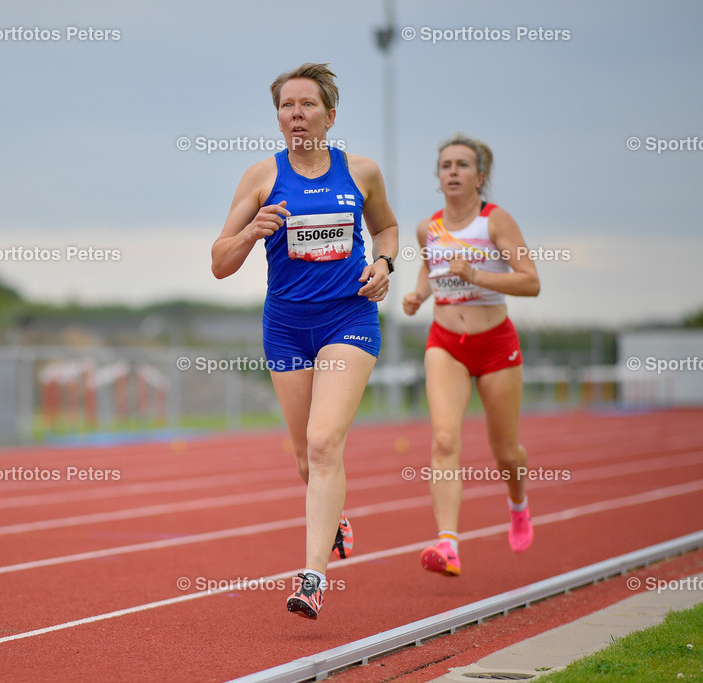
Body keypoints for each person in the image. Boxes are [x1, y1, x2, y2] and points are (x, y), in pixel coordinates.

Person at [211, 63, 398, 619]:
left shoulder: (361, 172)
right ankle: (334, 512)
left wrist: (384, 263)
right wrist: (251, 231)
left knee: (323, 443)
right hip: (287, 325)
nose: (296, 114)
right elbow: (220, 262)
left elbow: (385, 227)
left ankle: (312, 577)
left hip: (349, 320)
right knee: (304, 456)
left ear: (330, 115)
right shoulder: (260, 178)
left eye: (306, 105)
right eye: (286, 106)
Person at [402, 133, 540, 577]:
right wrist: (419, 295)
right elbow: (430, 264)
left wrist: (477, 274)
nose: (453, 172)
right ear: (438, 177)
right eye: (446, 165)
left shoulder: (495, 222)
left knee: (506, 453)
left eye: (463, 165)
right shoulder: (429, 227)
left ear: (480, 176)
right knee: (444, 440)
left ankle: (517, 504)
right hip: (445, 344)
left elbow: (530, 281)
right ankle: (448, 544)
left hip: (496, 344)